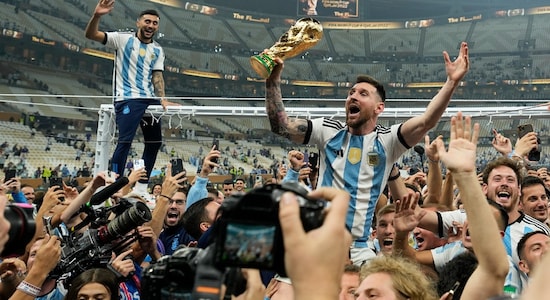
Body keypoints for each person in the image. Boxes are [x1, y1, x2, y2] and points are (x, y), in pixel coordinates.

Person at [264, 42, 469, 263]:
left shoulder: (388, 140)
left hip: (358, 250)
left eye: (363, 94)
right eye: (351, 93)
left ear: (379, 108)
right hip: (317, 243)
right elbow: (281, 126)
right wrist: (272, 80)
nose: (353, 97)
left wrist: (451, 82)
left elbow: (426, 121)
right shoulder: (328, 131)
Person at [84, 0, 178, 194]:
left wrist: (162, 98)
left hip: (149, 99)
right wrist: (97, 16)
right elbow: (91, 35)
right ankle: (115, 185)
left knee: (154, 143)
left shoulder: (158, 50)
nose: (151, 25)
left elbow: (157, 76)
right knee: (125, 141)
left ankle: (141, 187)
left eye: (154, 23)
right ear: (138, 23)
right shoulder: (122, 39)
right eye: (147, 21)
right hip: (127, 98)